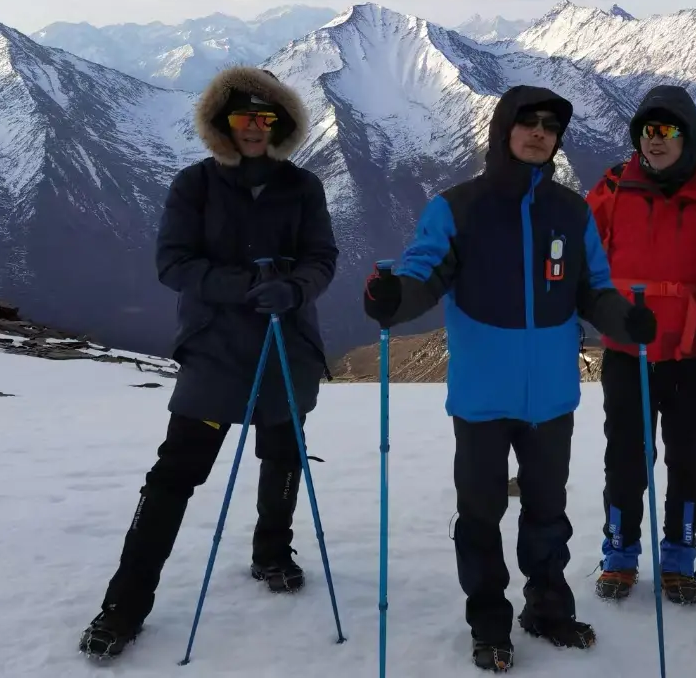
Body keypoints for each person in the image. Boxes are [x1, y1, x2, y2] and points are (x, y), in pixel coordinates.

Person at [362, 85, 657, 673]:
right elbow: (424, 274)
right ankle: (489, 622)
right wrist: (393, 299)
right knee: (480, 513)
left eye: (551, 125)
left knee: (547, 511)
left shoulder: (571, 212)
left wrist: (624, 320)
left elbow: (593, 289)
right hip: (482, 396)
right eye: (529, 122)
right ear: (504, 130)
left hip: (551, 396)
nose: (540, 132)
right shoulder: (457, 207)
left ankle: (547, 609)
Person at [79, 66, 338, 660]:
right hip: (217, 350)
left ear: (282, 123)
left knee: (283, 453)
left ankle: (272, 551)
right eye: (243, 115)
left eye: (266, 117)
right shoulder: (194, 184)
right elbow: (173, 263)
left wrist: (295, 289)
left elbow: (322, 257)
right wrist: (247, 286)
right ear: (223, 121)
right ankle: (124, 605)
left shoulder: (304, 187)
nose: (254, 127)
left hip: (286, 343)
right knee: (176, 474)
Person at [584, 86, 696, 605]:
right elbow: (584, 258)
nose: (655, 140)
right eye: (647, 131)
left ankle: (678, 558)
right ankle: (620, 553)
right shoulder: (613, 188)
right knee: (626, 456)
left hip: (692, 352)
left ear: (688, 135)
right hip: (626, 348)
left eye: (667, 130)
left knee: (685, 456)